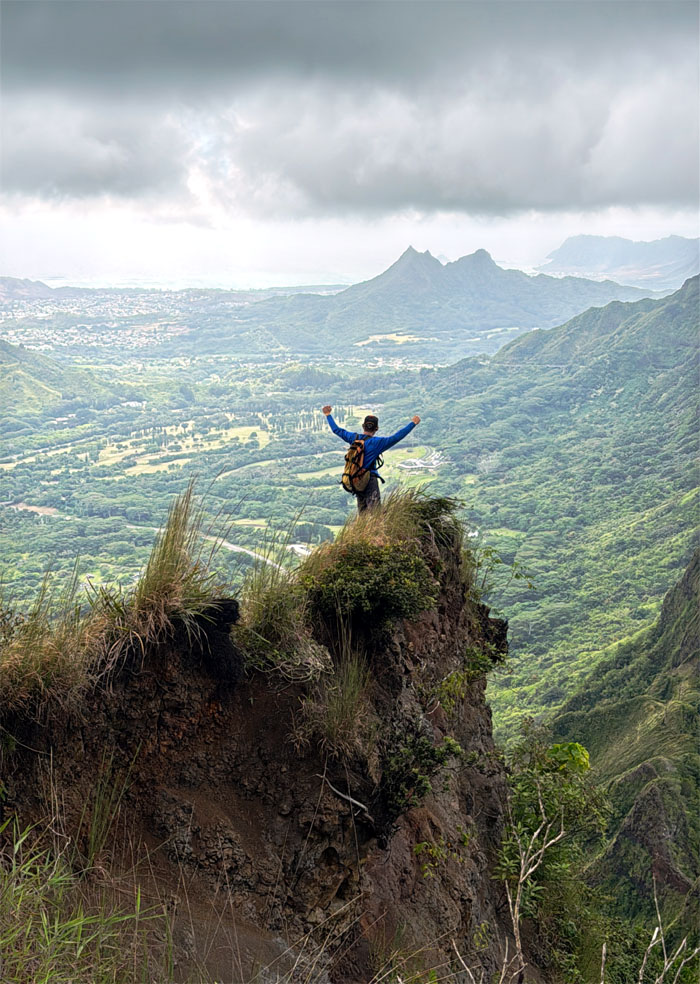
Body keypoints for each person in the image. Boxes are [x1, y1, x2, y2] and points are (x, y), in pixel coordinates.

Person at [322, 405, 421, 512]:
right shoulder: (378, 443)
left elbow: (337, 430)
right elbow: (397, 437)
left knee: (362, 511)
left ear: (363, 426)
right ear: (376, 428)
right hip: (370, 479)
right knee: (375, 511)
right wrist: (413, 423)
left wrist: (328, 415)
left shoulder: (354, 438)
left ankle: (363, 523)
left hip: (357, 479)